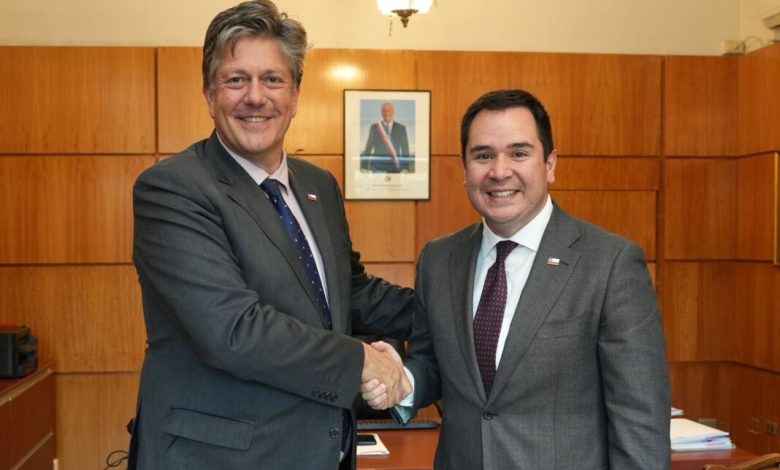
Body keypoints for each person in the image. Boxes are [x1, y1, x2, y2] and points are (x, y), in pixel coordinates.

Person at [128, 1, 412, 468]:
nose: (255, 97)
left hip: (321, 452)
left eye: (273, 79)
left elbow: (350, 292)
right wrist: (362, 361)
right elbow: (233, 330)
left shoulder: (319, 186)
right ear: (210, 95)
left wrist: (455, 308)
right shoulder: (173, 189)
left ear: (295, 95)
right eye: (236, 80)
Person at [362, 89, 671, 469]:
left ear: (550, 164)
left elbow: (640, 420)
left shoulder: (610, 264)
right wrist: (403, 380)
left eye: (519, 153)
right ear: (465, 169)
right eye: (483, 155)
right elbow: (432, 364)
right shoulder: (439, 260)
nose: (499, 171)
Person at [360, 102, 411, 173]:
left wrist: (405, 168)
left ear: (393, 112)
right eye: (384, 111)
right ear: (381, 112)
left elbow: (405, 149)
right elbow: (368, 148)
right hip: (377, 167)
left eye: (389, 110)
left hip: (395, 167)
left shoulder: (401, 128)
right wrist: (364, 167)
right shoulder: (374, 127)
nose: (387, 113)